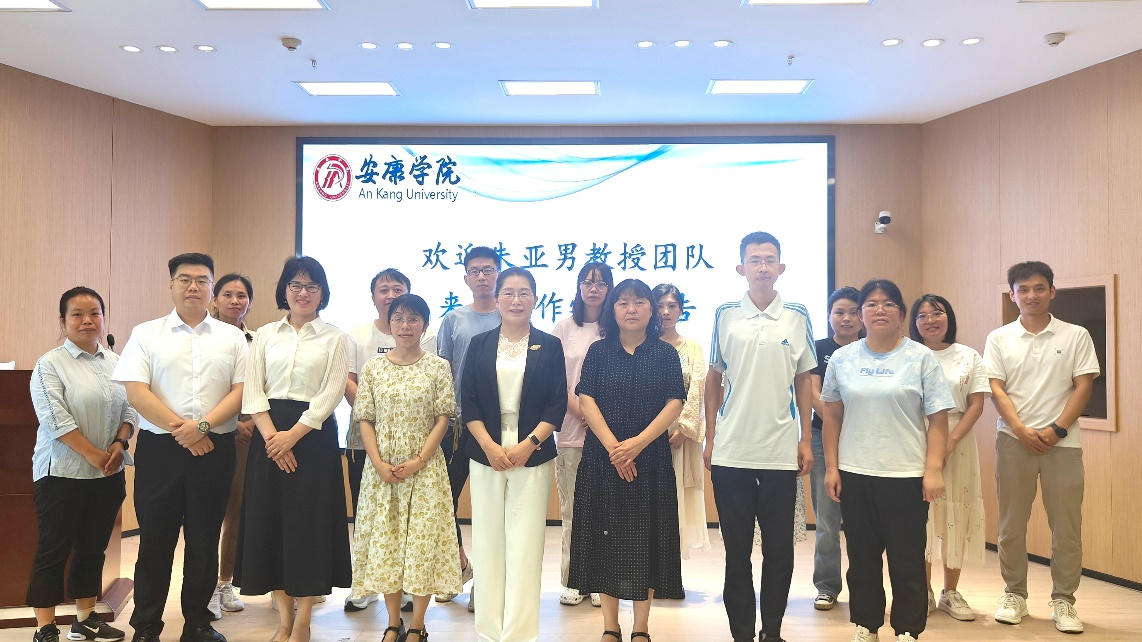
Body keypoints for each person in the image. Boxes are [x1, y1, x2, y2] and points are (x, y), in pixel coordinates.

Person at [112, 253, 248, 642]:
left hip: (214, 449)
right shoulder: (146, 333)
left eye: (202, 280)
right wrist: (184, 430)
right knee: (156, 541)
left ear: (212, 289)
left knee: (204, 540)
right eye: (185, 279)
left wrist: (202, 427)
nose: (193, 287)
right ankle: (146, 627)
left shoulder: (232, 337)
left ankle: (197, 624)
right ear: (171, 285)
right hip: (161, 449)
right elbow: (136, 391)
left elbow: (242, 390)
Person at [820, 278, 954, 642]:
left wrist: (933, 470)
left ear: (901, 313)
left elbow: (938, 419)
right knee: (862, 558)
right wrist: (831, 467)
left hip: (906, 473)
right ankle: (866, 624)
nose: (880, 310)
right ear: (861, 313)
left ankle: (907, 629)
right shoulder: (843, 358)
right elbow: (832, 416)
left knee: (907, 558)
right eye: (872, 304)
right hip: (855, 472)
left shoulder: (921, 358)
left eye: (888, 304)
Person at [704, 232, 815, 642]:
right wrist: (711, 437)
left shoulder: (797, 314)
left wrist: (805, 440)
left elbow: (804, 379)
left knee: (779, 552)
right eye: (755, 260)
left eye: (769, 260)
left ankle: (772, 632)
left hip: (780, 452)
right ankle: (742, 635)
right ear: (742, 268)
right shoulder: (725, 314)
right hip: (732, 451)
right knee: (737, 554)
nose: (763, 267)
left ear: (781, 267)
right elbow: (713, 379)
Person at [235, 256, 352, 642]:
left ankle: (303, 622)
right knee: (271, 524)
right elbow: (254, 391)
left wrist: (293, 436)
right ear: (284, 290)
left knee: (308, 528)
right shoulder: (265, 335)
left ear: (322, 292)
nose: (303, 293)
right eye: (296, 285)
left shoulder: (336, 337)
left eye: (311, 286)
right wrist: (274, 439)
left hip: (313, 438)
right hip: (269, 436)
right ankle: (284, 619)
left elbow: (331, 393)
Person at [984, 261, 1099, 635]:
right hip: (1012, 441)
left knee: (1066, 527)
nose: (1031, 295)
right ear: (1012, 295)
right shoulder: (999, 338)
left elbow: (1083, 385)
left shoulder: (1075, 335)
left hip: (1063, 444)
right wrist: (1019, 429)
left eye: (1038, 288)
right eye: (1023, 289)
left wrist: (1057, 429)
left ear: (1052, 291)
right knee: (1011, 525)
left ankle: (1064, 600)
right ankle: (1014, 594)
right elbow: (996, 388)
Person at [569, 278, 685, 642]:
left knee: (647, 537)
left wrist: (637, 444)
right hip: (602, 459)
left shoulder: (665, 354)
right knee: (604, 537)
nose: (631, 309)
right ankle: (610, 625)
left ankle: (641, 627)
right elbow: (586, 399)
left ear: (652, 309)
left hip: (650, 459)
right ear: (612, 309)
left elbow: (675, 402)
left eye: (639, 302)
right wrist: (615, 448)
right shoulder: (598, 352)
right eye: (623, 302)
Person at [461, 267, 567, 642]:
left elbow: (557, 403)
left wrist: (530, 443)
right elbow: (469, 402)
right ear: (497, 299)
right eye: (508, 293)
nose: (516, 300)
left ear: (535, 299)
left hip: (532, 452)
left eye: (524, 293)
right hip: (486, 450)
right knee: (488, 541)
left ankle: (519, 633)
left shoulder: (549, 345)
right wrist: (489, 446)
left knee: (525, 544)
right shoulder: (479, 344)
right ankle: (489, 630)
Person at [27, 287, 137, 642]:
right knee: (53, 550)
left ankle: (85, 619)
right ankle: (45, 626)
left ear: (104, 318)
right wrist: (93, 454)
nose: (87, 321)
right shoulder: (50, 364)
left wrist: (120, 443)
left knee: (93, 549)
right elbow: (54, 419)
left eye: (95, 313)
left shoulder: (117, 362)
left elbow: (131, 407)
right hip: (62, 474)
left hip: (107, 473)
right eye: (77, 314)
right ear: (63, 321)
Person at [349, 293, 461, 642]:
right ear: (389, 323)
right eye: (398, 318)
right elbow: (364, 418)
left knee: (422, 545)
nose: (405, 325)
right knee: (388, 543)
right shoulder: (373, 367)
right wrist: (378, 463)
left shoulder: (438, 366)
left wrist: (420, 460)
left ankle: (417, 625)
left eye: (413, 319)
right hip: (382, 470)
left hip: (425, 468)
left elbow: (443, 417)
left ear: (425, 325)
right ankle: (392, 622)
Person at [343, 268, 435, 613]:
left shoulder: (429, 342)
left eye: (398, 289)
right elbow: (350, 382)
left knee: (414, 523)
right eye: (384, 290)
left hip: (416, 446)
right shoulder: (356, 335)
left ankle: (409, 587)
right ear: (374, 297)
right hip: (367, 443)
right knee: (371, 517)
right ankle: (367, 584)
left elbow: (437, 405)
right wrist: (380, 414)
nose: (391, 295)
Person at [910, 294, 989, 621]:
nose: (930, 320)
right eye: (922, 315)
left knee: (957, 508)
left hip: (959, 439)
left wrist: (951, 441)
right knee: (922, 517)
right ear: (914, 322)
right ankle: (923, 591)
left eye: (937, 313)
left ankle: (950, 592)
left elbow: (976, 403)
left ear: (949, 317)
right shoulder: (908, 354)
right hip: (916, 437)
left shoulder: (968, 356)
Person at [436, 246, 502, 612]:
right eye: (474, 271)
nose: (481, 276)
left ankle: (486, 583)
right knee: (444, 501)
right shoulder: (453, 320)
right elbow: (443, 371)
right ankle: (458, 565)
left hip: (498, 427)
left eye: (488, 270)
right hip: (457, 426)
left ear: (497, 274)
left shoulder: (509, 314)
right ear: (465, 278)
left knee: (491, 506)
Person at [550, 261, 612, 608]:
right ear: (578, 286)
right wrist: (583, 411)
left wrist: (602, 418)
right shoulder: (564, 328)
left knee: (607, 512)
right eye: (587, 282)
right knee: (573, 512)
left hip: (612, 437)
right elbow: (555, 381)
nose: (593, 288)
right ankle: (574, 580)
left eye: (601, 283)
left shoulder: (616, 327)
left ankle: (602, 580)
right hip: (574, 433)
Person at [807, 286, 863, 611]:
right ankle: (827, 587)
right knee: (827, 520)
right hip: (821, 437)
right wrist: (835, 419)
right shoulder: (819, 349)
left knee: (861, 521)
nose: (846, 318)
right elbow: (814, 393)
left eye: (853, 312)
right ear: (829, 316)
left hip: (862, 440)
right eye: (839, 312)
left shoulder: (872, 348)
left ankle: (863, 587)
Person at [652, 283, 711, 565]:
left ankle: (671, 570)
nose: (665, 312)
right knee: (651, 499)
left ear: (681, 310)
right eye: (660, 305)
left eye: (672, 306)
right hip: (647, 433)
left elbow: (698, 388)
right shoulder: (643, 344)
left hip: (680, 435)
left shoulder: (693, 347)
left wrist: (685, 428)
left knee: (677, 502)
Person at [208, 274, 255, 621]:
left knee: (236, 512)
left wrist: (251, 423)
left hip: (249, 436)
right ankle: (205, 587)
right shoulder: (202, 336)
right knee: (208, 513)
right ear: (215, 299)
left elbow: (264, 385)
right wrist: (230, 423)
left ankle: (225, 582)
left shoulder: (257, 340)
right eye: (228, 294)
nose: (235, 301)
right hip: (209, 434)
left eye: (242, 295)